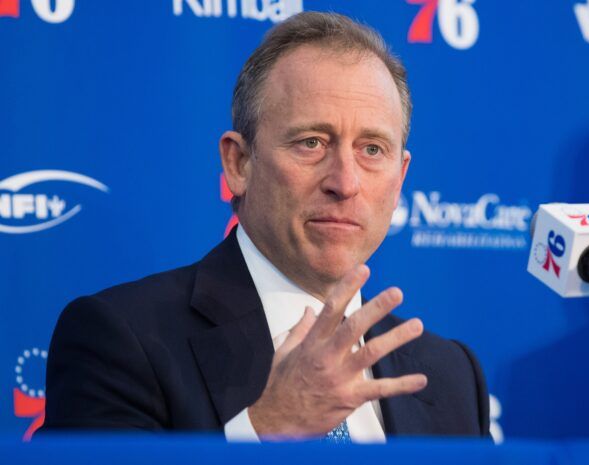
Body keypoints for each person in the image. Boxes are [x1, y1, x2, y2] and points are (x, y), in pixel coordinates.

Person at [42, 12, 489, 442]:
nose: (345, 183)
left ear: (400, 180)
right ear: (239, 163)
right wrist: (268, 432)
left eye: (372, 150)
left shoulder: (449, 375)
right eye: (311, 143)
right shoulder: (122, 341)